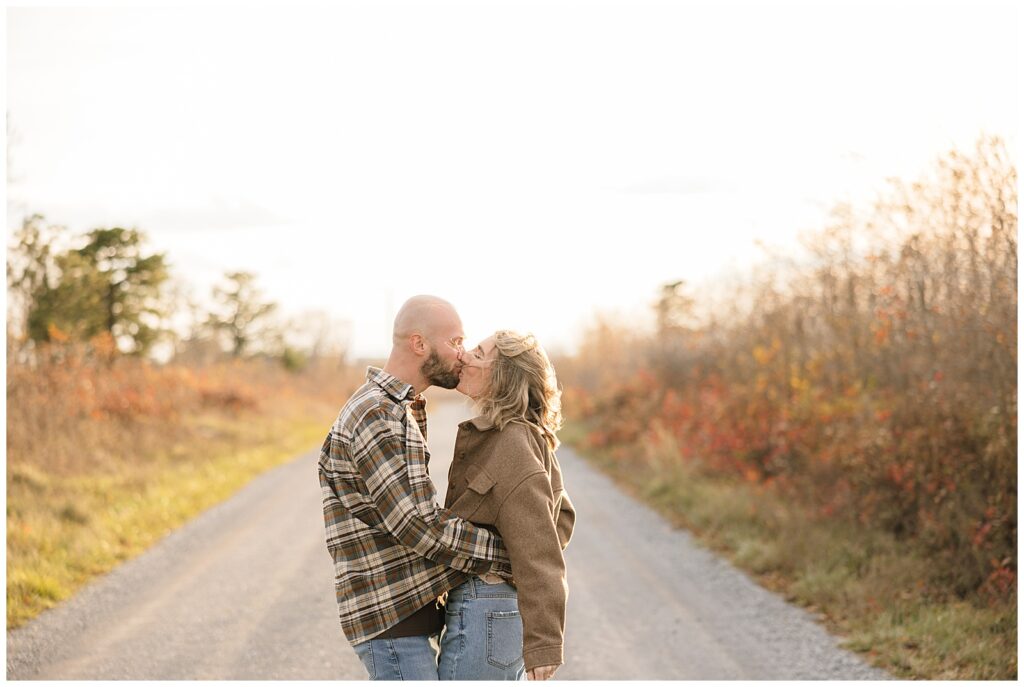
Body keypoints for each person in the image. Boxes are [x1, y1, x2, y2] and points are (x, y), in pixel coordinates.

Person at [317, 295, 514, 681]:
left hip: (404, 612)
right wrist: (507, 552)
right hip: (388, 616)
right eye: (456, 341)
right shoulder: (375, 413)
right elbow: (417, 524)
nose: (462, 354)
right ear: (419, 344)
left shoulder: (398, 407)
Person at [437, 330, 576, 681]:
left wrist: (544, 640)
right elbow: (563, 516)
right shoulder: (511, 434)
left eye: (479, 354)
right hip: (489, 607)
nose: (465, 356)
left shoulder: (513, 442)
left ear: (504, 377)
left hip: (487, 607)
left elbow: (541, 546)